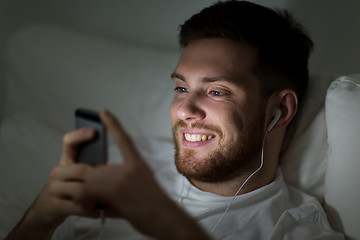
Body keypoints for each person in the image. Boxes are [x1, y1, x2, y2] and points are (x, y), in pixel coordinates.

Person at [5, 1, 344, 239]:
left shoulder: (297, 230)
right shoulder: (125, 168)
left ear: (280, 110)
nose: (184, 110)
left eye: (216, 92)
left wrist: (173, 228)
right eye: (181, 88)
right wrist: (39, 220)